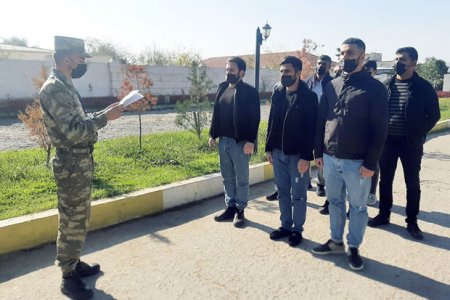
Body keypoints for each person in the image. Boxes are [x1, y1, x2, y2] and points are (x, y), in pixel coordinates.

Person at [39, 36, 124, 299]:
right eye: (80, 59)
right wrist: (104, 119)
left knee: (80, 217)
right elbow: (74, 131)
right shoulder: (54, 88)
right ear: (67, 59)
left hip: (80, 162)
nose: (82, 63)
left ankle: (74, 263)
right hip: (71, 164)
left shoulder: (65, 85)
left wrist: (103, 113)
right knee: (71, 220)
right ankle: (67, 276)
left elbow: (79, 120)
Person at [312, 38, 388, 271]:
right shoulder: (332, 85)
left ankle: (353, 246)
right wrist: (318, 151)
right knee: (334, 202)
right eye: (342, 53)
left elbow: (380, 129)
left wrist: (371, 163)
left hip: (358, 162)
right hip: (331, 157)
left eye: (351, 53)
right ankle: (336, 241)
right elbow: (321, 120)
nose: (345, 57)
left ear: (362, 57)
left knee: (357, 207)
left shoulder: (375, 88)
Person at [368, 47, 440, 240]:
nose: (397, 63)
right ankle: (384, 214)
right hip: (388, 142)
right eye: (396, 58)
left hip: (411, 143)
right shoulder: (387, 85)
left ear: (413, 63)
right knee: (385, 180)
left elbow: (434, 115)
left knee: (412, 183)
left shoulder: (423, 88)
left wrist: (419, 132)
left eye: (402, 60)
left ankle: (412, 221)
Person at [266, 56, 318, 247]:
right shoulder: (278, 92)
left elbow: (311, 130)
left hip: (297, 157)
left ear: (298, 73)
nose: (283, 75)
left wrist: (306, 157)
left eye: (287, 72)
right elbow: (272, 121)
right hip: (278, 153)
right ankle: (285, 226)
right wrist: (268, 147)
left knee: (299, 194)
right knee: (282, 192)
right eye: (281, 72)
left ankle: (297, 229)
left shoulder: (309, 97)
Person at [209, 57, 260, 228]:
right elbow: (216, 112)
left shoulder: (249, 92)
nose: (228, 72)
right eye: (227, 69)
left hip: (241, 142)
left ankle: (240, 210)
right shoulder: (222, 87)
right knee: (227, 177)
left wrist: (250, 141)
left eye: (232, 70)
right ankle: (230, 207)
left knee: (242, 178)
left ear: (241, 72)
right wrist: (213, 134)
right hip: (224, 141)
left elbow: (255, 119)